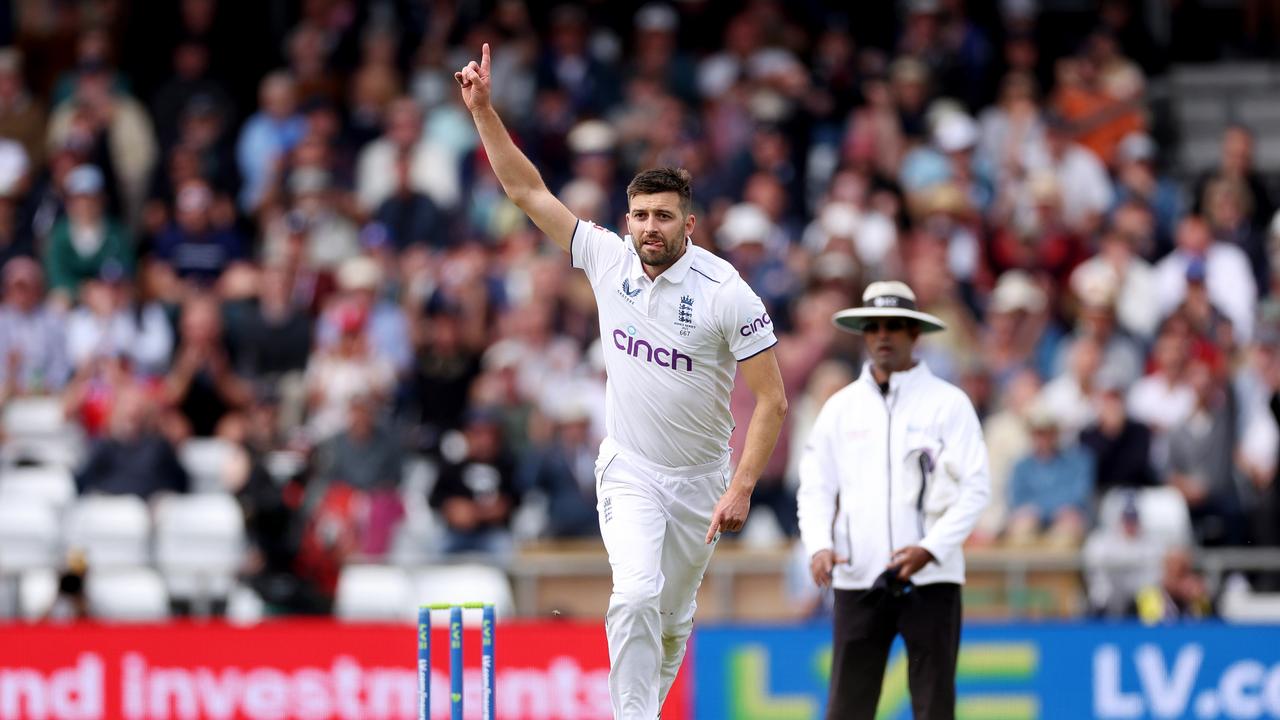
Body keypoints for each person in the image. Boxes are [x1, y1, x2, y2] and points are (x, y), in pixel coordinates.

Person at [456, 43, 788, 718]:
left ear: (687, 224)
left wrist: (741, 485)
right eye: (640, 216)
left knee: (668, 622)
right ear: (627, 217)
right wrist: (485, 112)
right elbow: (526, 191)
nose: (649, 228)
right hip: (631, 468)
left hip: (702, 481)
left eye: (663, 217)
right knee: (634, 596)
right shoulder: (607, 259)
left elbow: (773, 400)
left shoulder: (728, 293)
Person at [798, 280, 990, 720]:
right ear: (864, 333)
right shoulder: (841, 408)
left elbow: (976, 488)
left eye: (895, 326)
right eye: (874, 326)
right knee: (848, 708)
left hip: (931, 579)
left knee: (933, 705)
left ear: (914, 333)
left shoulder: (948, 404)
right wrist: (818, 545)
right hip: (858, 575)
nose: (884, 335)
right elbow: (816, 486)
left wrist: (931, 549)